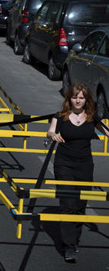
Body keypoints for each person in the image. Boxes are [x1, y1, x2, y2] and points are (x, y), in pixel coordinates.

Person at [47, 83, 108, 263]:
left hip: (85, 165)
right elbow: (50, 131)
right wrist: (53, 135)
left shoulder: (92, 118)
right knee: (68, 204)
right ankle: (69, 246)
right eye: (75, 97)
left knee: (80, 205)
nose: (78, 100)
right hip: (64, 164)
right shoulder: (60, 116)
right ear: (69, 99)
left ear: (86, 99)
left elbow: (107, 131)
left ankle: (74, 239)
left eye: (81, 97)